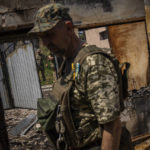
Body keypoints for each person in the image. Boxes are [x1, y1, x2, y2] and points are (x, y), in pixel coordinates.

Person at [30, 3, 133, 150]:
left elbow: (112, 126)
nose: (45, 43)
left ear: (68, 28)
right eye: (41, 37)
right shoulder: (68, 63)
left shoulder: (94, 63)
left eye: (49, 34)